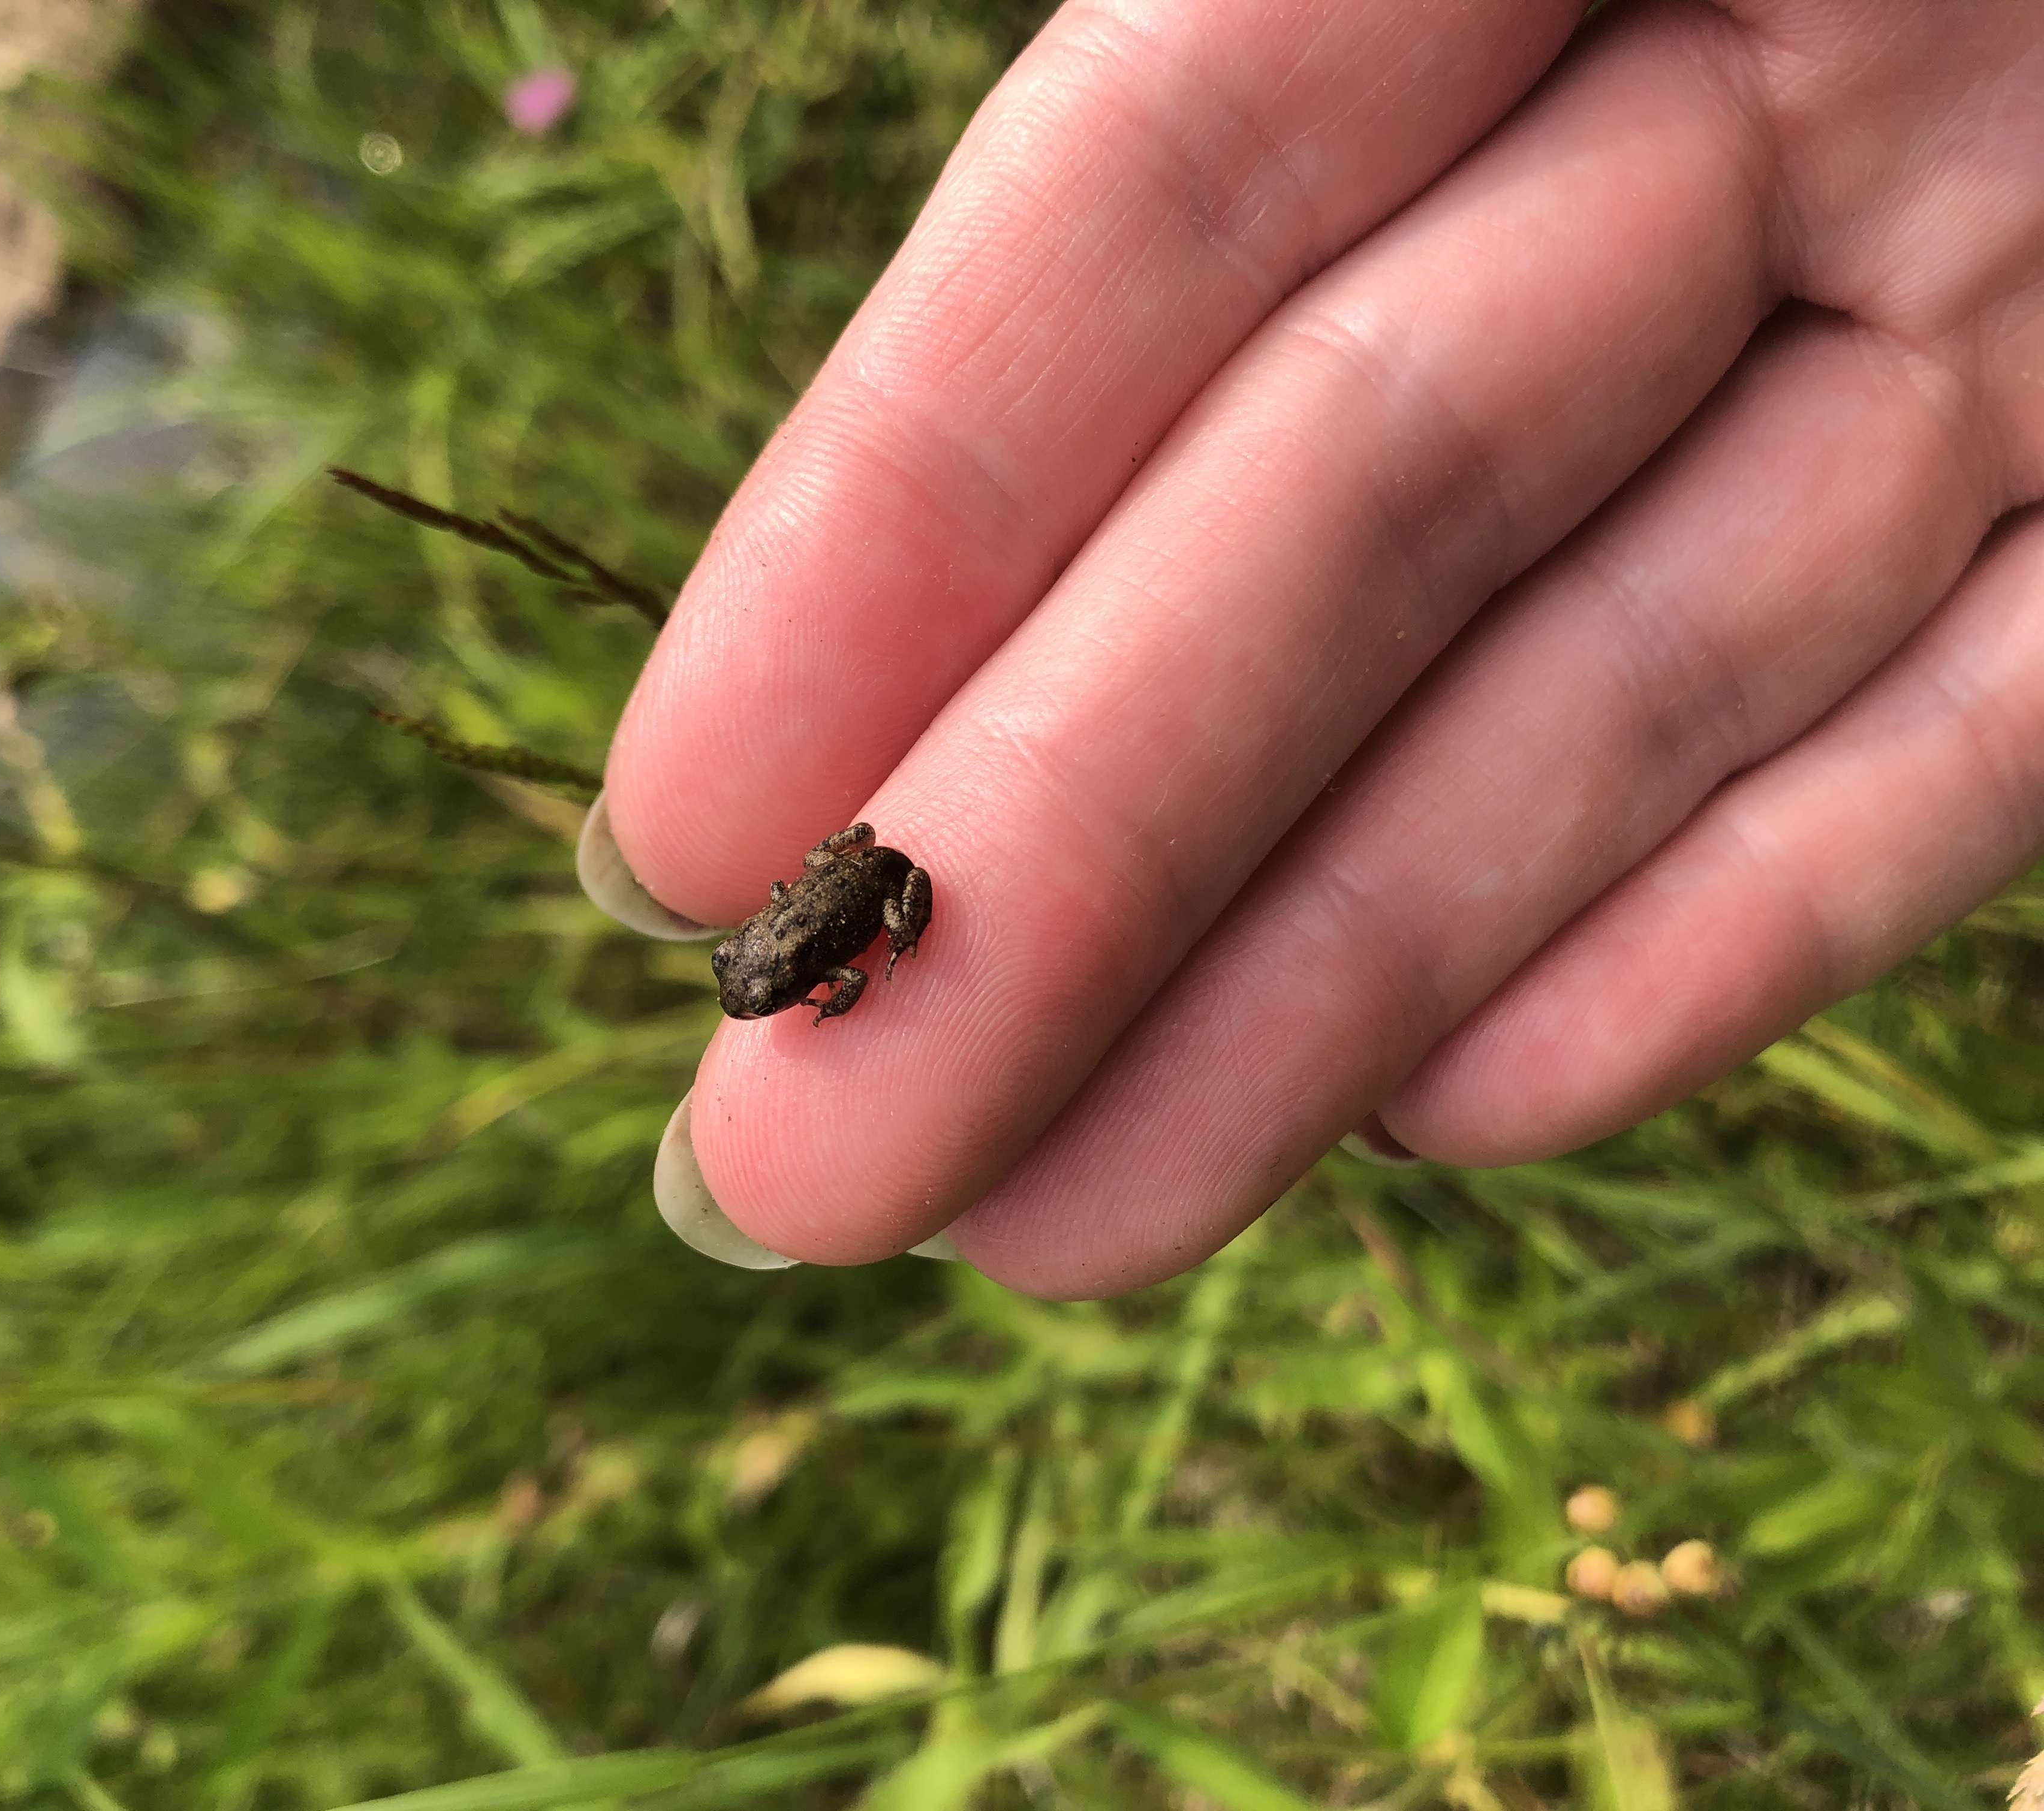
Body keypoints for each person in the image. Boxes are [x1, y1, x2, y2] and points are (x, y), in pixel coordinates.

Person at [583, 0, 2044, 1298]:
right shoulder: (794, 948)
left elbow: (886, 867)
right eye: (769, 983)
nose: (774, 989)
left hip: (869, 871)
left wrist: (867, 947)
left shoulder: (837, 922)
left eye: (774, 981)